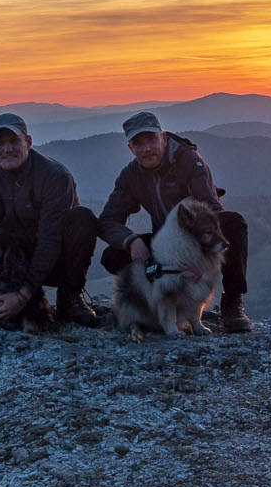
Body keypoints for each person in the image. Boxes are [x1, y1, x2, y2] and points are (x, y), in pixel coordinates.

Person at [0, 113, 100, 328]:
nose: (7, 149)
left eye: (14, 141)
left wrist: (23, 294)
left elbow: (49, 240)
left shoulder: (54, 176)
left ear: (28, 142)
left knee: (82, 218)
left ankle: (70, 298)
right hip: (9, 262)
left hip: (54, 259)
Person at [98, 111, 252, 332]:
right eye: (138, 143)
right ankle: (155, 305)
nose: (146, 148)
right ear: (130, 149)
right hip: (164, 245)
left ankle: (232, 302)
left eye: (151, 139)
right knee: (112, 256)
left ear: (163, 138)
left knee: (232, 224)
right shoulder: (131, 176)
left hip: (196, 239)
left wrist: (196, 259)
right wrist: (131, 240)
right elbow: (108, 221)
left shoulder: (190, 162)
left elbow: (211, 212)